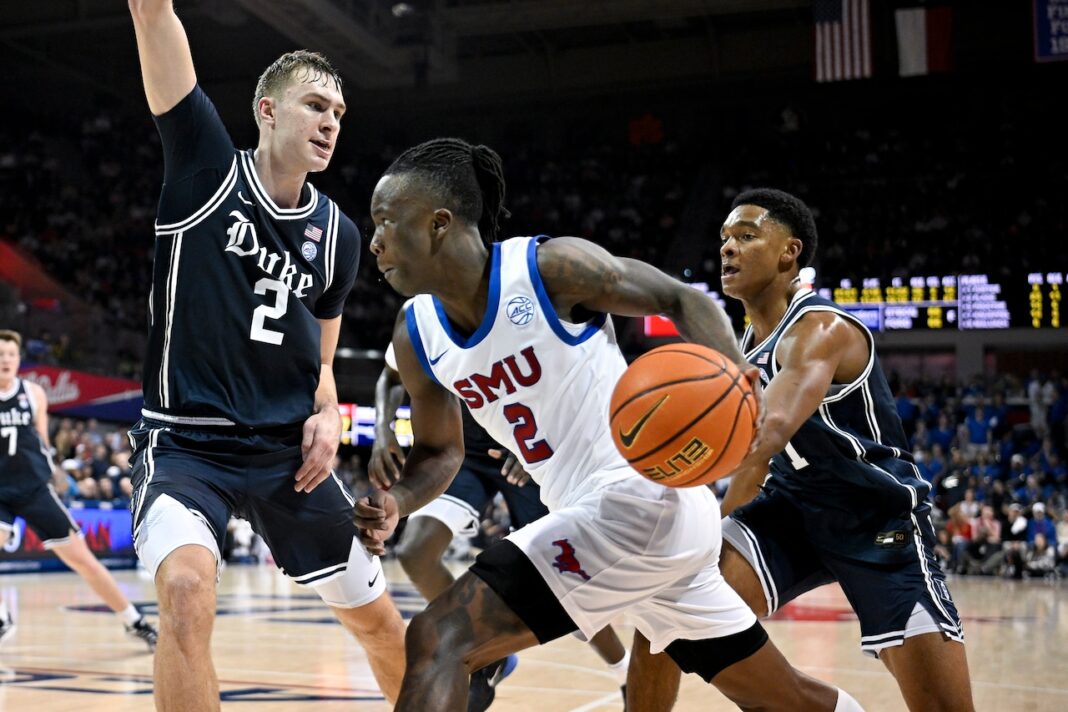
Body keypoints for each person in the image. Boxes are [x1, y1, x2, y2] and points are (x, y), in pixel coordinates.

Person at [355, 138, 862, 711]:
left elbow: (676, 298)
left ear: (438, 223)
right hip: (634, 520)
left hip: (633, 498)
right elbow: (439, 451)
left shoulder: (545, 269)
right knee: (787, 699)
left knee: (440, 638)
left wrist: (739, 376)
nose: (374, 242)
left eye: (385, 221)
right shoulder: (415, 332)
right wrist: (398, 500)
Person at [126, 2, 406, 709]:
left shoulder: (339, 235)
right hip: (186, 445)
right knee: (184, 591)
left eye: (338, 112)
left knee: (382, 627)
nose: (331, 122)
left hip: (287, 456)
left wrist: (328, 414)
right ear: (268, 111)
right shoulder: (205, 167)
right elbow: (152, 16)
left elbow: (323, 357)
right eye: (315, 105)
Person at [628, 188, 974, 711]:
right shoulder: (747, 346)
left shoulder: (820, 328)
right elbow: (751, 465)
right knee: (667, 601)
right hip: (792, 507)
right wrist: (702, 531)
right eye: (724, 238)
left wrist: (673, 469)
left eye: (746, 236)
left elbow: (767, 434)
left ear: (789, 252)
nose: (727, 248)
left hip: (874, 518)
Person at [370, 341, 631, 710]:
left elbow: (576, 379)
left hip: (532, 450)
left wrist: (546, 437)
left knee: (567, 586)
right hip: (464, 450)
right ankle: (486, 656)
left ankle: (624, 670)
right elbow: (391, 376)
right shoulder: (422, 321)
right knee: (416, 550)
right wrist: (382, 431)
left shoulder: (528, 315)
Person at [0, 330, 157, 649]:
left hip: (33, 489)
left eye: (11, 354)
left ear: (19, 359)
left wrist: (54, 473)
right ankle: (3, 617)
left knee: (83, 560)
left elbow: (42, 442)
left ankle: (133, 620)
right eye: (0, 354)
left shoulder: (33, 393)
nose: (5, 360)